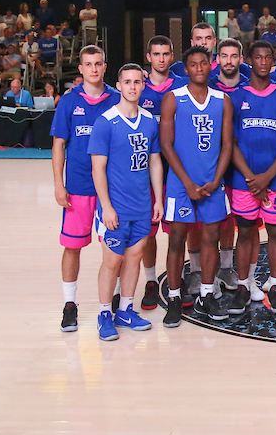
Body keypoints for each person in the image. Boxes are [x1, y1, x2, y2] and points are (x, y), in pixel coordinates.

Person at [159, 46, 235, 328]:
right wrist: (188, 183)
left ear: (211, 65)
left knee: (211, 237)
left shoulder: (222, 100)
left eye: (204, 63)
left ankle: (206, 294)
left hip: (212, 182)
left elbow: (227, 145)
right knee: (176, 239)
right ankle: (175, 297)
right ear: (186, 68)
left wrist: (216, 179)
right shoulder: (173, 98)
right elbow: (166, 145)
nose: (199, 68)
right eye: (193, 64)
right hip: (181, 184)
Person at [88, 63, 161, 341]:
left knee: (134, 257)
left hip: (141, 205)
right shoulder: (106, 122)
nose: (132, 86)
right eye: (127, 82)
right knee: (112, 260)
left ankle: (126, 310)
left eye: (137, 82)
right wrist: (106, 206)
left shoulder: (149, 121)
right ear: (118, 85)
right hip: (115, 207)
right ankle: (104, 313)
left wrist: (157, 200)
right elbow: (98, 169)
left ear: (143, 85)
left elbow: (155, 161)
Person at [51, 45, 120, 333]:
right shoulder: (69, 102)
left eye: (98, 63)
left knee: (114, 247)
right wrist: (59, 184)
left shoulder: (116, 99)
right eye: (88, 64)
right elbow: (58, 145)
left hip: (111, 189)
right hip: (78, 187)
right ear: (80, 69)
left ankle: (115, 298)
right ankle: (70, 304)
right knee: (72, 247)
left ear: (105, 67)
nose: (94, 68)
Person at [229, 41, 276, 311]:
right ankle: (243, 286)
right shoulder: (236, 97)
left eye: (267, 57)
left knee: (275, 233)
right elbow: (230, 143)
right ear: (249, 60)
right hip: (244, 181)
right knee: (245, 232)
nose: (262, 62)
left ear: (274, 61)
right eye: (257, 57)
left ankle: (274, 285)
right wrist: (252, 178)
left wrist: (267, 177)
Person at [135, 35, 189, 309]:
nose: (161, 59)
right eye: (156, 54)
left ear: (172, 56)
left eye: (166, 54)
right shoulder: (137, 87)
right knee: (148, 232)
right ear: (148, 57)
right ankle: (150, 281)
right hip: (145, 172)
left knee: (178, 230)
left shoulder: (182, 86)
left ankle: (180, 279)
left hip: (177, 171)